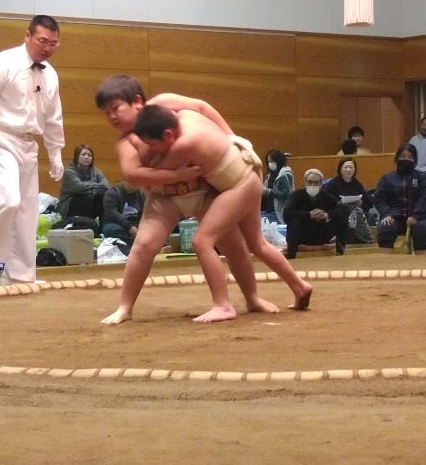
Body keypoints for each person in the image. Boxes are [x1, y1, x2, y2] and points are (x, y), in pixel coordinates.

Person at [93, 75, 284, 324]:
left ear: (137, 101)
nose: (112, 117)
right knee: (143, 246)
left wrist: (230, 137)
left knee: (235, 246)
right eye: (106, 113)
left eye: (116, 108)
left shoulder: (164, 103)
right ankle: (125, 307)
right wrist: (176, 174)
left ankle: (252, 298)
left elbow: (202, 107)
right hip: (165, 198)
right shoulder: (127, 141)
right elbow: (134, 175)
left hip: (202, 189)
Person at [128, 104, 311, 322]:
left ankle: (223, 305)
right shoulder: (187, 115)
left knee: (202, 241)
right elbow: (202, 106)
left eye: (152, 144)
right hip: (248, 170)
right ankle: (299, 286)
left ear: (168, 134)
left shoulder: (184, 144)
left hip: (238, 185)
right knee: (256, 243)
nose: (152, 149)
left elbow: (151, 177)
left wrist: (131, 142)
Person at [0, 15, 66, 286]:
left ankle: (21, 274)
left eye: (54, 43)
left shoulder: (51, 75)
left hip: (28, 144)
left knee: (27, 211)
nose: (47, 47)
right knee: (8, 201)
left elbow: (53, 118)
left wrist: (55, 153)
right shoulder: (2, 63)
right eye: (43, 41)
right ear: (28, 36)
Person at [374, 144, 426, 252]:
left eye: (410, 157)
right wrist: (386, 214)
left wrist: (415, 215)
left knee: (423, 228)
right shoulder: (387, 178)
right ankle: (384, 263)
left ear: (414, 160)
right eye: (403, 156)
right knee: (385, 227)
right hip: (394, 216)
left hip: (418, 217)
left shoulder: (423, 177)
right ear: (397, 158)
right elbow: (379, 198)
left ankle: (423, 265)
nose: (406, 159)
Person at [284, 169, 347, 257]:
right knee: (294, 222)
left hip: (321, 234)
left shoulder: (326, 196)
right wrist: (309, 215)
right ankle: (291, 256)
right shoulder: (296, 195)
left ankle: (340, 253)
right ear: (305, 182)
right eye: (310, 182)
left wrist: (327, 215)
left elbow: (341, 209)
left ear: (321, 184)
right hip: (302, 234)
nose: (312, 185)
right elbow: (286, 214)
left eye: (316, 182)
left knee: (341, 218)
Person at [323, 157, 371, 244]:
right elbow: (326, 201)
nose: (348, 170)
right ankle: (347, 235)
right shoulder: (333, 184)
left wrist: (361, 202)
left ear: (355, 170)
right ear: (340, 169)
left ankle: (358, 236)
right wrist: (339, 202)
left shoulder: (357, 184)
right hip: (338, 211)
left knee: (357, 210)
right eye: (345, 167)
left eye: (351, 167)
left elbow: (366, 201)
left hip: (355, 210)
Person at [58, 144, 109, 222]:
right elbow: (79, 188)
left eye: (89, 155)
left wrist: (89, 188)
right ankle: (80, 224)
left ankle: (102, 229)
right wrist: (96, 187)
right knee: (88, 197)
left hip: (89, 205)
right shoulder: (69, 172)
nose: (86, 157)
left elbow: (106, 186)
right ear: (77, 156)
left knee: (104, 196)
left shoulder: (95, 171)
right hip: (69, 207)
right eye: (83, 154)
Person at [100, 178, 144, 242]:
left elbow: (147, 213)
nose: (134, 185)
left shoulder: (141, 193)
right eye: (131, 182)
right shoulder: (112, 192)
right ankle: (132, 242)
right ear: (124, 180)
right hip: (115, 222)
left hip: (135, 222)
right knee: (110, 230)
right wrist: (130, 227)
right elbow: (113, 213)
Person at [260, 149, 294, 218]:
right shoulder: (269, 175)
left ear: (278, 161)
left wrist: (267, 191)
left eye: (272, 161)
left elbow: (285, 194)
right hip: (268, 210)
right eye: (268, 161)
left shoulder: (285, 174)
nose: (270, 164)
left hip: (280, 211)